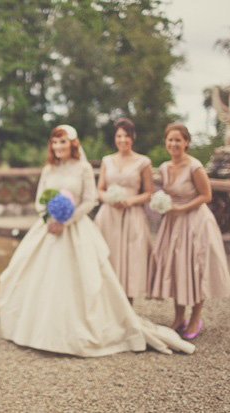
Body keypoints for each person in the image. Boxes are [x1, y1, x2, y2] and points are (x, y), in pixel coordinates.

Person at [0, 124, 195, 357]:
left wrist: (66, 220)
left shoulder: (82, 167)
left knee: (83, 282)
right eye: (55, 142)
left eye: (63, 142)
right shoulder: (49, 168)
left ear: (73, 144)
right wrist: (49, 216)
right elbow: (40, 199)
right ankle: (37, 330)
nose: (58, 146)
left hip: (75, 228)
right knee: (34, 276)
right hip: (49, 228)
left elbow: (90, 200)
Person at [148, 123, 230, 340]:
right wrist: (163, 205)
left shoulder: (194, 166)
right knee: (176, 269)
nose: (174, 144)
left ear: (186, 142)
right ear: (165, 142)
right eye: (170, 140)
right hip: (173, 224)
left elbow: (206, 195)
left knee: (195, 269)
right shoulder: (165, 168)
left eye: (178, 140)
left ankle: (195, 318)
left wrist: (181, 208)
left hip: (195, 222)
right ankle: (178, 317)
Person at [95, 118, 153, 304]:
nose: (122, 140)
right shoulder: (107, 160)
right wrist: (109, 199)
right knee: (107, 259)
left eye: (126, 136)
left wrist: (129, 201)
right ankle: (107, 308)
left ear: (133, 137)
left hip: (131, 215)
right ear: (115, 138)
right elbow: (99, 189)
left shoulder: (143, 162)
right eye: (119, 136)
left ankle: (127, 308)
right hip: (108, 216)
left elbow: (149, 193)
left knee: (130, 262)